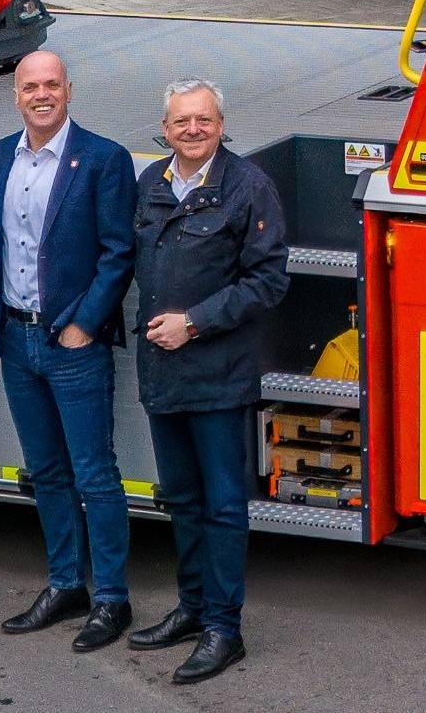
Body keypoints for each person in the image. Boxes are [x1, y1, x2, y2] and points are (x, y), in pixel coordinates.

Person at [126, 79, 287, 685]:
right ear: (164, 129)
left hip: (219, 375)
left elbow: (268, 280)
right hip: (163, 375)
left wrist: (194, 323)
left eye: (204, 120)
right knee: (183, 500)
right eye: (180, 122)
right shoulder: (151, 185)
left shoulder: (248, 187)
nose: (192, 130)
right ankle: (192, 608)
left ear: (222, 124)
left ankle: (225, 628)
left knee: (222, 506)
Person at [0, 51, 137, 652]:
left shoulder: (103, 158)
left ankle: (111, 600)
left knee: (96, 474)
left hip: (72, 343)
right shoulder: (0, 156)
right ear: (16, 95)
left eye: (51, 85)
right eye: (30, 87)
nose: (41, 95)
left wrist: (84, 325)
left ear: (68, 90)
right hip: (16, 339)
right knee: (46, 471)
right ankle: (66, 583)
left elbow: (119, 252)